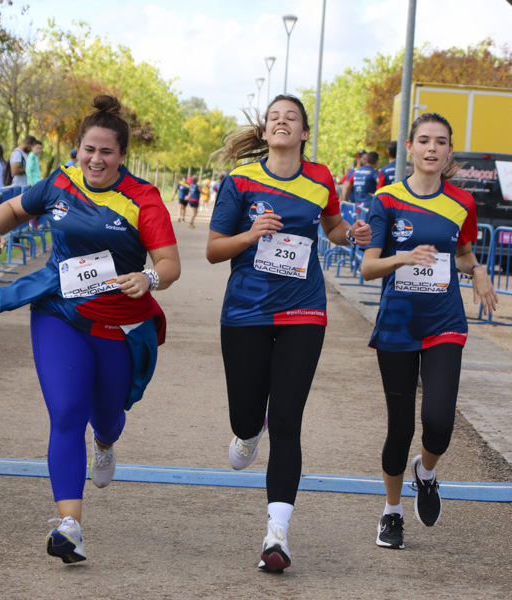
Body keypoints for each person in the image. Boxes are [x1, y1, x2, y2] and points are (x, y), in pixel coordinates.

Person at [0, 95, 180, 565]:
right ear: (78, 149)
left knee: (106, 417)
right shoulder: (59, 184)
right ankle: (70, 525)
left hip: (116, 322)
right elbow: (11, 209)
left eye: (107, 151)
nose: (95, 159)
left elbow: (169, 265)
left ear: (122, 156)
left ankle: (105, 443)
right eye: (89, 149)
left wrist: (146, 278)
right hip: (60, 313)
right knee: (66, 410)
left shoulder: (143, 198)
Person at [207, 94, 370, 573]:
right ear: (265, 132)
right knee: (247, 417)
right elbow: (216, 250)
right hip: (246, 312)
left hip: (303, 310)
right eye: (274, 117)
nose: (282, 123)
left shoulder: (320, 179)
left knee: (287, 419)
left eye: (291, 118)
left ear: (303, 133)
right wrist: (252, 233)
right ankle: (245, 430)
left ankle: (276, 535)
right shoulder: (239, 181)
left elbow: (333, 226)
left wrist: (351, 235)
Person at [361, 112, 498, 550]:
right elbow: (367, 267)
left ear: (449, 151)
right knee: (399, 428)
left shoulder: (461, 202)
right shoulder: (385, 200)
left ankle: (428, 471)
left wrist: (477, 270)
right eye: (424, 140)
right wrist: (403, 258)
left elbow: (462, 252)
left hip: (444, 323)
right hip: (398, 325)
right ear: (410, 147)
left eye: (441, 142)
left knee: (438, 423)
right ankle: (391, 512)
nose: (432, 148)